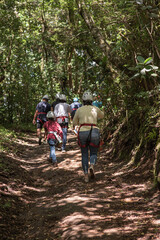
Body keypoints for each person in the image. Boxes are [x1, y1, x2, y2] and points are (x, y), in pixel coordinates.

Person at [73, 90, 104, 183]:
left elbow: (74, 122)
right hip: (94, 130)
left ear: (83, 100)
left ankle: (86, 175)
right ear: (91, 100)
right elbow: (102, 116)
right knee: (94, 152)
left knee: (84, 154)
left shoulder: (79, 109)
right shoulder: (95, 108)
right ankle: (92, 165)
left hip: (82, 132)